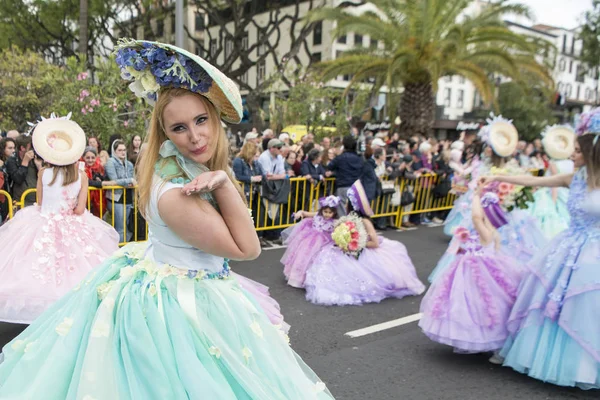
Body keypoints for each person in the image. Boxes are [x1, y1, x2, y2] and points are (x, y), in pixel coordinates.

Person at [0, 40, 333, 399]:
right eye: (179, 128)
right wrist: (223, 185)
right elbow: (248, 248)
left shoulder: (182, 165)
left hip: (180, 284)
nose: (195, 135)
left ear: (215, 117)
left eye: (201, 120)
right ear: (166, 133)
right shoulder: (176, 194)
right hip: (180, 305)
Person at [480, 112, 600, 389]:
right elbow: (535, 181)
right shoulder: (574, 178)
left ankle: (586, 367)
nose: (572, 154)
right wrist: (496, 177)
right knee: (551, 303)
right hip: (568, 247)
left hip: (593, 256)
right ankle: (552, 361)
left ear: (592, 153)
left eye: (578, 150)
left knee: (587, 309)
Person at [0, 117, 119, 324]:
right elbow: (81, 209)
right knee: (75, 268)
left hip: (43, 220)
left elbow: (40, 202)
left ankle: (39, 311)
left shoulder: (44, 173)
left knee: (35, 266)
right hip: (71, 221)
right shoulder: (80, 176)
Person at [419, 189, 524, 358]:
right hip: (478, 268)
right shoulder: (493, 232)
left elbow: (475, 218)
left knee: (476, 304)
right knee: (483, 305)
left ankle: (482, 338)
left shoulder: (487, 231)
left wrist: (476, 195)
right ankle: (488, 339)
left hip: (479, 271)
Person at [304, 180, 425, 306]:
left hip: (362, 250)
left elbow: (375, 243)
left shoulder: (365, 221)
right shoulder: (347, 218)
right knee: (328, 256)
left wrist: (355, 244)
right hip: (349, 249)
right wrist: (343, 241)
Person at [524, 126, 575, 240]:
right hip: (567, 193)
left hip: (555, 192)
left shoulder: (554, 164)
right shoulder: (571, 163)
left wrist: (553, 201)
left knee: (555, 217)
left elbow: (555, 184)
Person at [280, 196, 339, 288]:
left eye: (330, 212)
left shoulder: (335, 222)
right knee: (302, 257)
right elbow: (304, 212)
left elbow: (337, 232)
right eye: (325, 212)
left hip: (324, 242)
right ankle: (296, 278)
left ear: (334, 213)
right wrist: (298, 214)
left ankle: (310, 279)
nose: (327, 214)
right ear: (322, 210)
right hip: (309, 240)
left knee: (315, 260)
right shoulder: (317, 215)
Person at [105, 139, 136, 242]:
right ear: (114, 151)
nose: (123, 152)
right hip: (116, 198)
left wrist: (128, 181)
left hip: (128, 197)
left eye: (124, 150)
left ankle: (124, 249)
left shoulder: (129, 164)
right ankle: (119, 252)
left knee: (127, 228)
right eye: (120, 150)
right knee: (120, 228)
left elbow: (132, 180)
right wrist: (128, 181)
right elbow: (114, 180)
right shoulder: (111, 162)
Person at [327, 135, 364, 216]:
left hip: (343, 186)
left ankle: (345, 227)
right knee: (354, 212)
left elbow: (330, 166)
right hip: (356, 187)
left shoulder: (341, 157)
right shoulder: (359, 158)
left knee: (342, 212)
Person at [81, 147, 116, 218]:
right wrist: (101, 183)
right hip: (83, 201)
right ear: (83, 157)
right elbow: (86, 181)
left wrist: (101, 179)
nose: (90, 160)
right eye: (88, 158)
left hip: (99, 201)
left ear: (96, 157)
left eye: (93, 158)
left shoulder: (100, 168)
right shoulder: (80, 168)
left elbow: (105, 178)